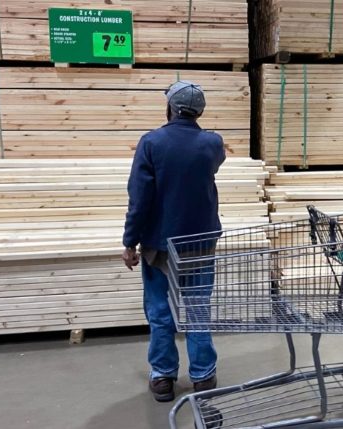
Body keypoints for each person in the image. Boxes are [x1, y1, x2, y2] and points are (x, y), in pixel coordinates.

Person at [122, 81, 225, 402]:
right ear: (200, 111)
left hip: (159, 244)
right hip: (200, 242)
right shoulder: (213, 143)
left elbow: (139, 198)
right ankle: (203, 376)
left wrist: (130, 241)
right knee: (197, 309)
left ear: (170, 107)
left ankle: (164, 376)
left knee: (159, 311)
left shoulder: (151, 143)